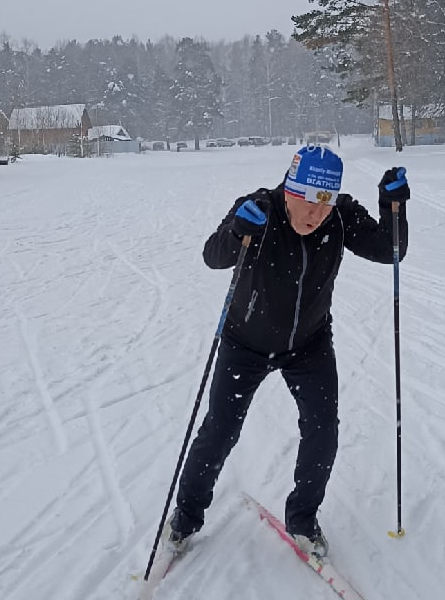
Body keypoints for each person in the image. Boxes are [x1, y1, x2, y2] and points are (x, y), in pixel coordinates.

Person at [169, 145, 410, 557]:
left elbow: (391, 250)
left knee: (323, 429)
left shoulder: (340, 215)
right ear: (289, 190)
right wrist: (237, 233)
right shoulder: (258, 209)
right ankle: (185, 518)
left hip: (308, 344)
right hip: (245, 342)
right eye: (309, 202)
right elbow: (213, 256)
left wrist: (393, 209)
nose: (316, 215)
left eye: (325, 204)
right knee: (220, 431)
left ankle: (303, 519)